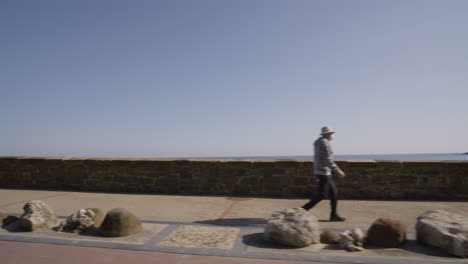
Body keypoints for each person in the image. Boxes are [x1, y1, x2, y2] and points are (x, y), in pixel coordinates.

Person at [302, 126, 346, 221]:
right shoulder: (324, 143)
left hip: (322, 171)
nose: (332, 135)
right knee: (322, 195)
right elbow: (328, 160)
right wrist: (338, 171)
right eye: (330, 133)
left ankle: (334, 215)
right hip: (323, 173)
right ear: (326, 134)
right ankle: (301, 211)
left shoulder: (318, 142)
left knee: (334, 193)